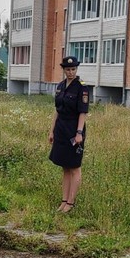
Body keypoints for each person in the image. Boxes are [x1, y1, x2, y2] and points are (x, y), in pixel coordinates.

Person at [48, 56, 89, 213]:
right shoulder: (60, 86)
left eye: (73, 69)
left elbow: (82, 113)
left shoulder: (82, 88)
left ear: (76, 70)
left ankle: (71, 203)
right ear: (64, 70)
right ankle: (64, 200)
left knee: (74, 167)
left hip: (74, 130)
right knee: (64, 166)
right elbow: (57, 110)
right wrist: (51, 131)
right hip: (61, 129)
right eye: (68, 69)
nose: (71, 72)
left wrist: (79, 133)